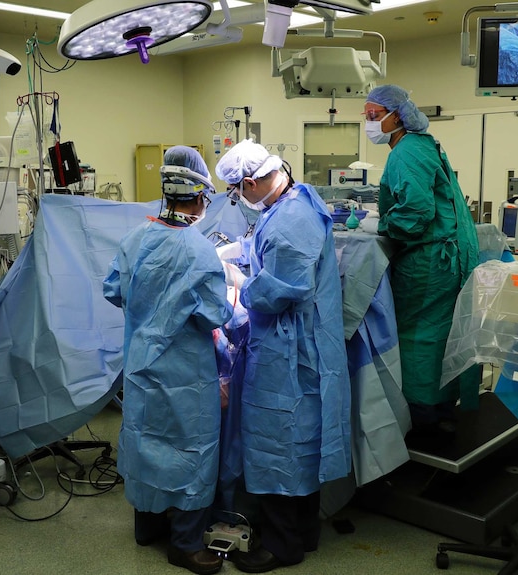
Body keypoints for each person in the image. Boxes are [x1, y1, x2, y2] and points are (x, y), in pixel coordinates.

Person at [214, 140, 351, 573]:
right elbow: (268, 249)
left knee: (280, 445)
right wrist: (239, 251)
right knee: (299, 446)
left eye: (238, 191)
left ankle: (281, 545)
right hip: (297, 346)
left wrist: (238, 284)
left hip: (290, 352)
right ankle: (302, 533)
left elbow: (282, 290)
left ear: (251, 182)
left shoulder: (291, 219)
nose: (239, 199)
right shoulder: (291, 199)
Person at [103, 145, 233, 575]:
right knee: (188, 450)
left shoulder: (135, 237)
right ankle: (186, 543)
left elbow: (112, 290)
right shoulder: (197, 250)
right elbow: (215, 313)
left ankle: (147, 527)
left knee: (146, 442)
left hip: (142, 365)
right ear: (198, 196)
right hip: (184, 372)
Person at [363, 84, 481, 441]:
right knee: (443, 333)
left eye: (372, 115)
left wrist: (383, 225)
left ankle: (422, 416)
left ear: (395, 115)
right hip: (447, 257)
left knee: (417, 336)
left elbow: (416, 211)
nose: (368, 123)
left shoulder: (407, 152)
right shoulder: (422, 145)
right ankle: (443, 409)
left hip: (430, 261)